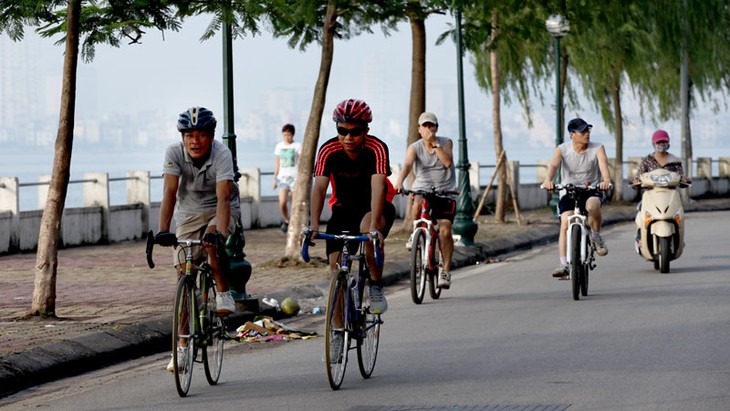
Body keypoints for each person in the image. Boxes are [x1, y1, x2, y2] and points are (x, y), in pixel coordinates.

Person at [155, 107, 240, 371]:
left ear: (212, 136)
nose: (195, 141)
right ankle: (181, 349)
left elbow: (224, 197)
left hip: (221, 207)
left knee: (212, 243)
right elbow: (169, 191)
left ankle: (224, 293)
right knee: (183, 279)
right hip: (189, 213)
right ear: (182, 137)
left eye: (201, 134)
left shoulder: (222, 154)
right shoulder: (173, 153)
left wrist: (219, 233)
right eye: (189, 135)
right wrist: (163, 230)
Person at [309, 98, 396, 315]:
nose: (348, 137)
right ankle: (337, 334)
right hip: (343, 210)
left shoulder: (377, 148)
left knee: (368, 230)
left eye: (355, 132)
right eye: (342, 130)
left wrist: (375, 226)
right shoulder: (328, 150)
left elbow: (378, 187)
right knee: (335, 272)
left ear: (366, 130)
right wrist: (313, 225)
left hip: (375, 207)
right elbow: (319, 188)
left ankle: (376, 286)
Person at [542, 117, 612, 279]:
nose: (587, 134)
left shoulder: (598, 148)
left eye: (588, 130)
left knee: (593, 206)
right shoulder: (562, 149)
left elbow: (603, 164)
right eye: (583, 131)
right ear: (572, 135)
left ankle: (595, 236)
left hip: (590, 189)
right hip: (569, 189)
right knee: (566, 222)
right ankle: (563, 264)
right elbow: (553, 165)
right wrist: (548, 180)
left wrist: (606, 180)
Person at [394, 111, 457, 289]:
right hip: (423, 187)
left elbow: (447, 162)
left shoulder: (446, 142)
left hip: (445, 191)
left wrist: (435, 145)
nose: (428, 129)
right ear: (419, 129)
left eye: (432, 125)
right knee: (418, 201)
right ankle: (416, 233)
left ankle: (444, 271)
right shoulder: (414, 147)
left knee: (445, 231)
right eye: (425, 126)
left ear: (436, 128)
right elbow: (407, 164)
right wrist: (399, 181)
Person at [273, 123, 302, 233]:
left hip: (295, 177)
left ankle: (295, 222)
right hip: (283, 178)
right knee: (282, 202)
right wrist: (275, 178)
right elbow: (277, 162)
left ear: (292, 135)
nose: (286, 137)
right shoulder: (279, 146)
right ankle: (287, 220)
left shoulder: (297, 146)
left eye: (288, 134)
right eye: (284, 135)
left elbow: (302, 160)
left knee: (295, 203)